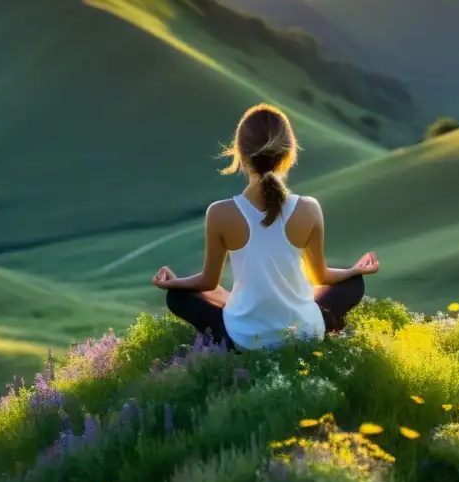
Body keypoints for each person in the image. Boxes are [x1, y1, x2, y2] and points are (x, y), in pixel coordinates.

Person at [152, 103, 379, 351]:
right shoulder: (309, 208)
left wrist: (174, 283)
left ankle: (228, 341)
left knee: (179, 298)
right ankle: (319, 330)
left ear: (239, 152)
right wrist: (355, 271)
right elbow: (321, 276)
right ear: (289, 153)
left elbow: (208, 281)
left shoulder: (219, 212)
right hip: (304, 331)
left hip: (245, 338)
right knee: (353, 284)